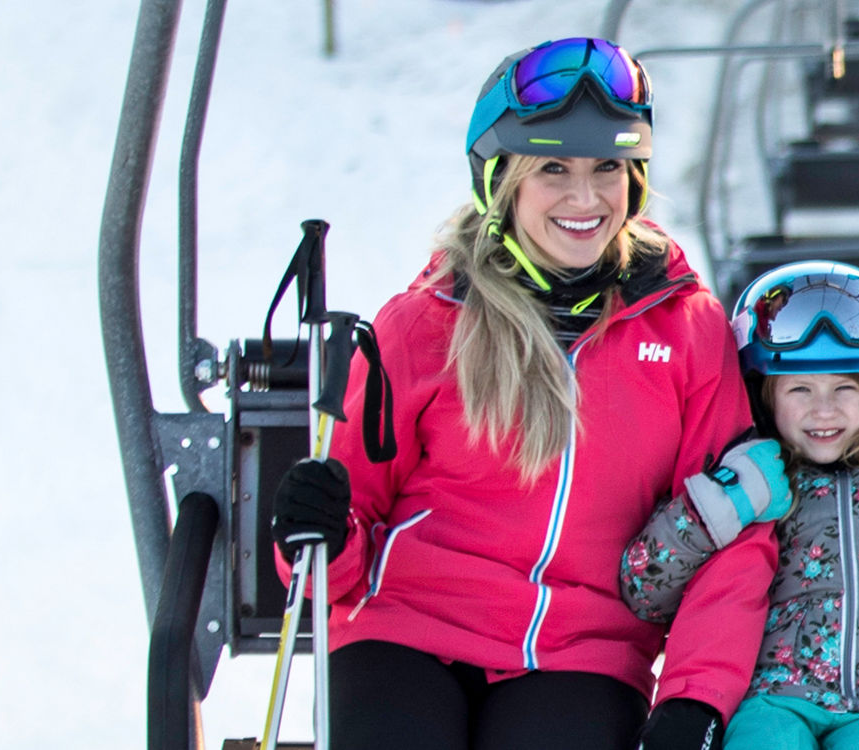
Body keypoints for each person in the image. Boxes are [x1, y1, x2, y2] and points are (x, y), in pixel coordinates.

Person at [268, 37, 782, 750]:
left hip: (583, 652)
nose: (585, 198)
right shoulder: (426, 322)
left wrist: (694, 698)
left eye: (608, 167)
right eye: (553, 168)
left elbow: (732, 532)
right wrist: (317, 532)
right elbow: (343, 533)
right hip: (404, 629)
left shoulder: (685, 331)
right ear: (501, 179)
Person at [619, 261, 859, 750]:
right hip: (772, 701)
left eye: (844, 387)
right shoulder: (750, 470)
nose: (823, 409)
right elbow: (643, 587)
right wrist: (721, 503)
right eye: (800, 389)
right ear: (765, 394)